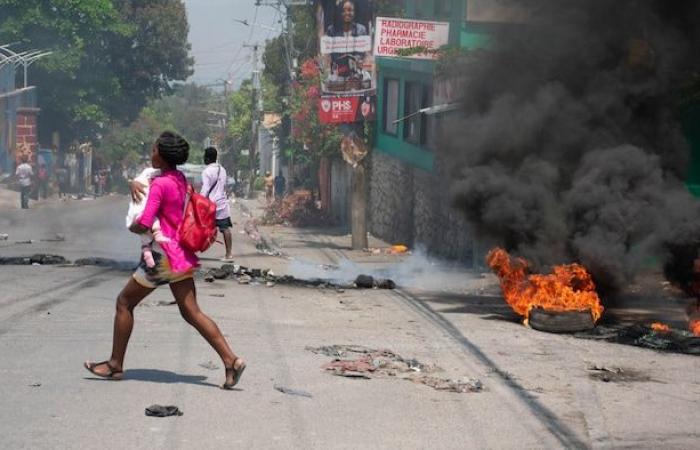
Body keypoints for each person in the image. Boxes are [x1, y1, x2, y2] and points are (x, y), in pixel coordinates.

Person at [84, 131, 246, 389]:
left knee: (124, 303)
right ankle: (231, 360)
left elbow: (146, 222)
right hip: (180, 254)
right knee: (192, 312)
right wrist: (131, 184)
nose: (151, 155)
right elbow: (145, 179)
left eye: (153, 151)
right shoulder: (180, 179)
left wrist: (133, 225)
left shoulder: (160, 185)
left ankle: (115, 365)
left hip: (162, 258)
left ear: (162, 155)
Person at [125, 167, 168, 269]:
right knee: (148, 238)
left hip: (159, 218)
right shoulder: (150, 172)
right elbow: (137, 181)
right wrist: (133, 183)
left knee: (148, 240)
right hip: (150, 215)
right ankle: (145, 264)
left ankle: (147, 264)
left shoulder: (172, 178)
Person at [201, 147, 234, 262]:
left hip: (210, 205)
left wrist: (199, 201)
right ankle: (229, 254)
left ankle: (190, 250)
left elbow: (205, 189)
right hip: (222, 203)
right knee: (225, 228)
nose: (203, 158)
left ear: (208, 158)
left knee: (197, 226)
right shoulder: (222, 169)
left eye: (204, 156)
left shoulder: (207, 171)